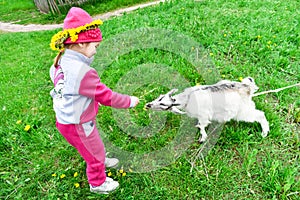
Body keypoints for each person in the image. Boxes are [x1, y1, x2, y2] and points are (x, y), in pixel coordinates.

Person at [49, 7, 139, 194]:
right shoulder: (83, 73)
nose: (96, 51)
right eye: (95, 46)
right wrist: (129, 101)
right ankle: (98, 183)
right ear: (81, 44)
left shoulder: (61, 62)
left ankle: (97, 157)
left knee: (92, 146)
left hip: (65, 120)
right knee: (94, 153)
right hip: (79, 123)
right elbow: (107, 97)